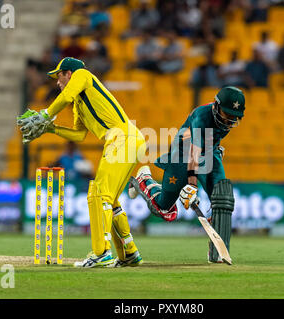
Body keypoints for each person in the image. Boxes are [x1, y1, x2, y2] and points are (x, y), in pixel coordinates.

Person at [17, 57, 146, 268]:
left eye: (59, 77)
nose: (57, 82)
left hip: (122, 138)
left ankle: (101, 252)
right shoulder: (79, 102)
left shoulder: (83, 75)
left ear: (69, 73)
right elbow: (79, 135)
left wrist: (46, 114)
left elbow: (65, 95)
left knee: (98, 194)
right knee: (110, 200)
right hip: (129, 140)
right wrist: (50, 128)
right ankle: (129, 253)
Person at [129, 86, 243, 263]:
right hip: (183, 154)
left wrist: (216, 149)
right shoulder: (202, 116)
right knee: (164, 209)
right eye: (227, 115)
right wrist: (192, 185)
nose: (230, 120)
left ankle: (218, 252)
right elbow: (194, 152)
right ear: (216, 106)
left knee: (222, 197)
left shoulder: (225, 119)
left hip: (209, 152)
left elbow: (211, 138)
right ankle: (145, 180)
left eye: (234, 117)